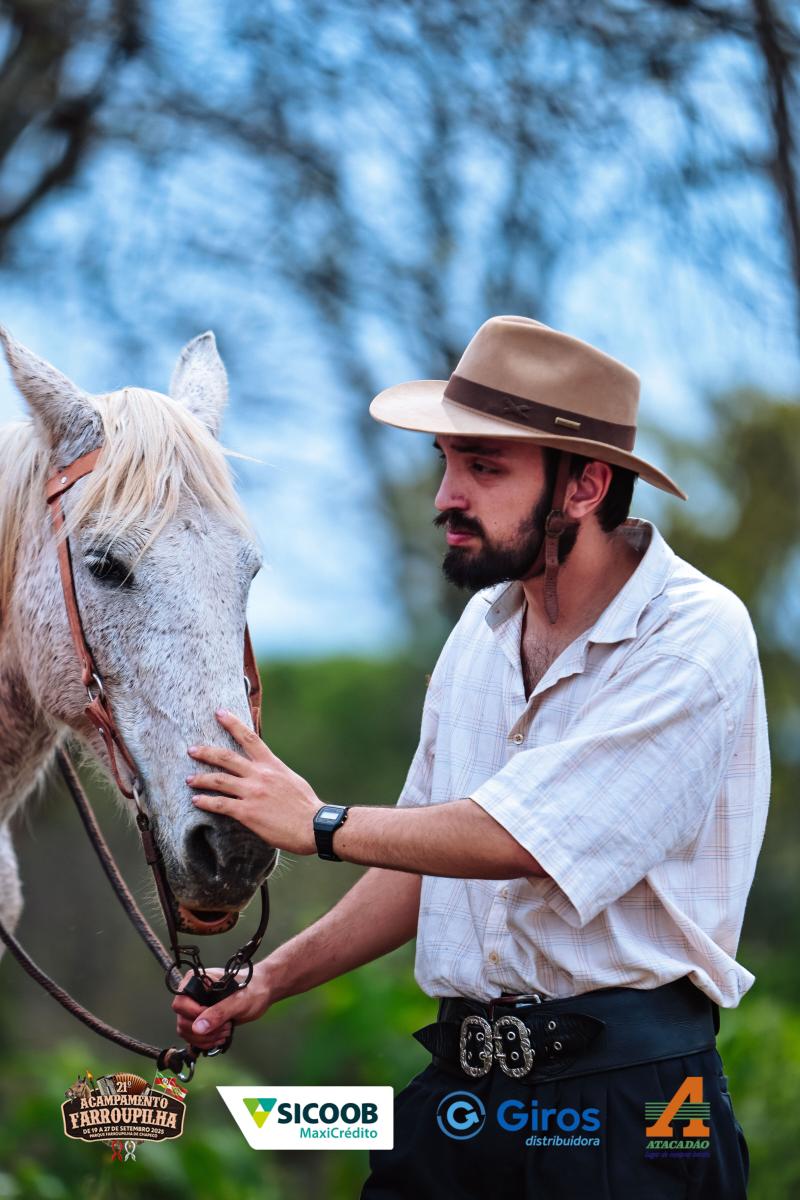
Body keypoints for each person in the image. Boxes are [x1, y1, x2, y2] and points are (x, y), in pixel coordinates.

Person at [172, 316, 768, 1198]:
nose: (446, 495)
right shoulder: (481, 630)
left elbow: (524, 839)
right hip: (460, 1100)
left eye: (485, 468)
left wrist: (318, 824)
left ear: (585, 485)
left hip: (635, 1113)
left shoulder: (691, 635)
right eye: (447, 462)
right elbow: (427, 855)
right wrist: (269, 979)